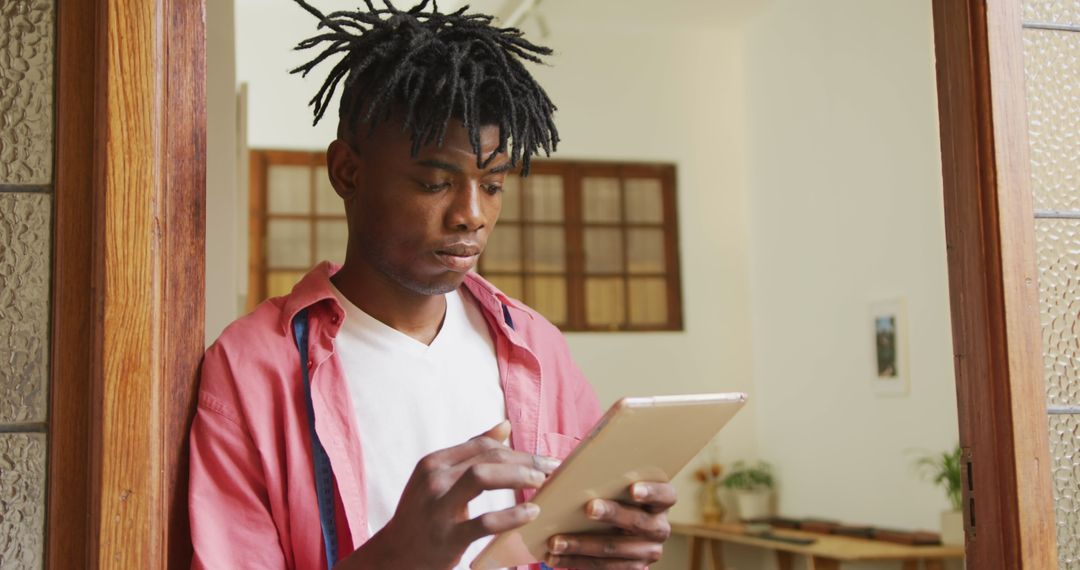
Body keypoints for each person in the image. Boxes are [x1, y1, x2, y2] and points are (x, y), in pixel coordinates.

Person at [188, 1, 676, 568]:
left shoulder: (538, 347)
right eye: (434, 183)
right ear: (347, 172)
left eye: (492, 186)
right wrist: (394, 558)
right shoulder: (252, 368)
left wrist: (615, 545)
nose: (472, 215)